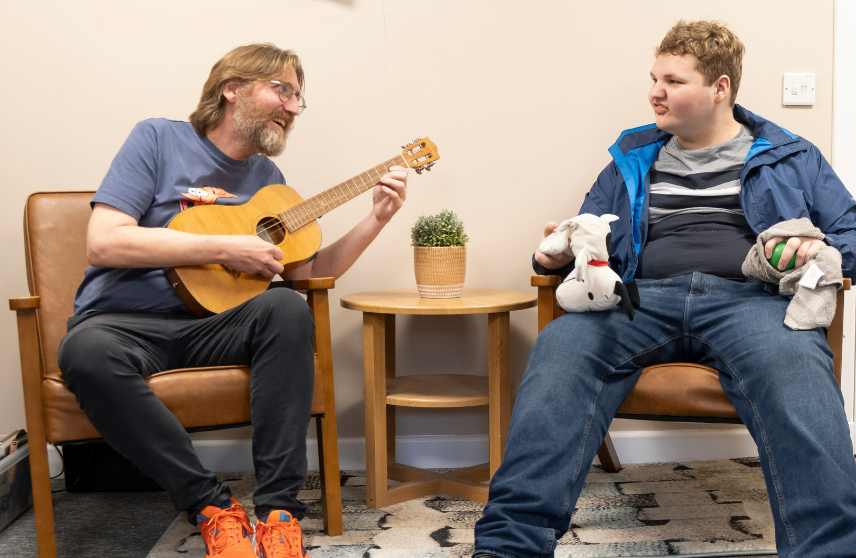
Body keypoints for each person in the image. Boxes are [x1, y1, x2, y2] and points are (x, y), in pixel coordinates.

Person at [473, 20, 856, 558]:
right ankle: (508, 547)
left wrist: (816, 249)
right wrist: (549, 256)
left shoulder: (791, 155)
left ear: (720, 87)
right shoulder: (632, 155)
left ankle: (830, 550)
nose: (655, 91)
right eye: (654, 78)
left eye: (673, 81)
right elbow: (585, 236)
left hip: (750, 303)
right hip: (638, 300)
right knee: (561, 349)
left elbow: (852, 233)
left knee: (797, 366)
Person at [58, 43, 409, 558]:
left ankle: (278, 511)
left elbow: (310, 272)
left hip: (218, 326)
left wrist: (376, 218)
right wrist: (226, 246)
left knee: (287, 307)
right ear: (232, 89)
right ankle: (212, 506)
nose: (293, 107)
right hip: (123, 324)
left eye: (298, 98)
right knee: (84, 353)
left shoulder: (270, 182)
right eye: (282, 90)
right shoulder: (157, 138)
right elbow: (105, 241)